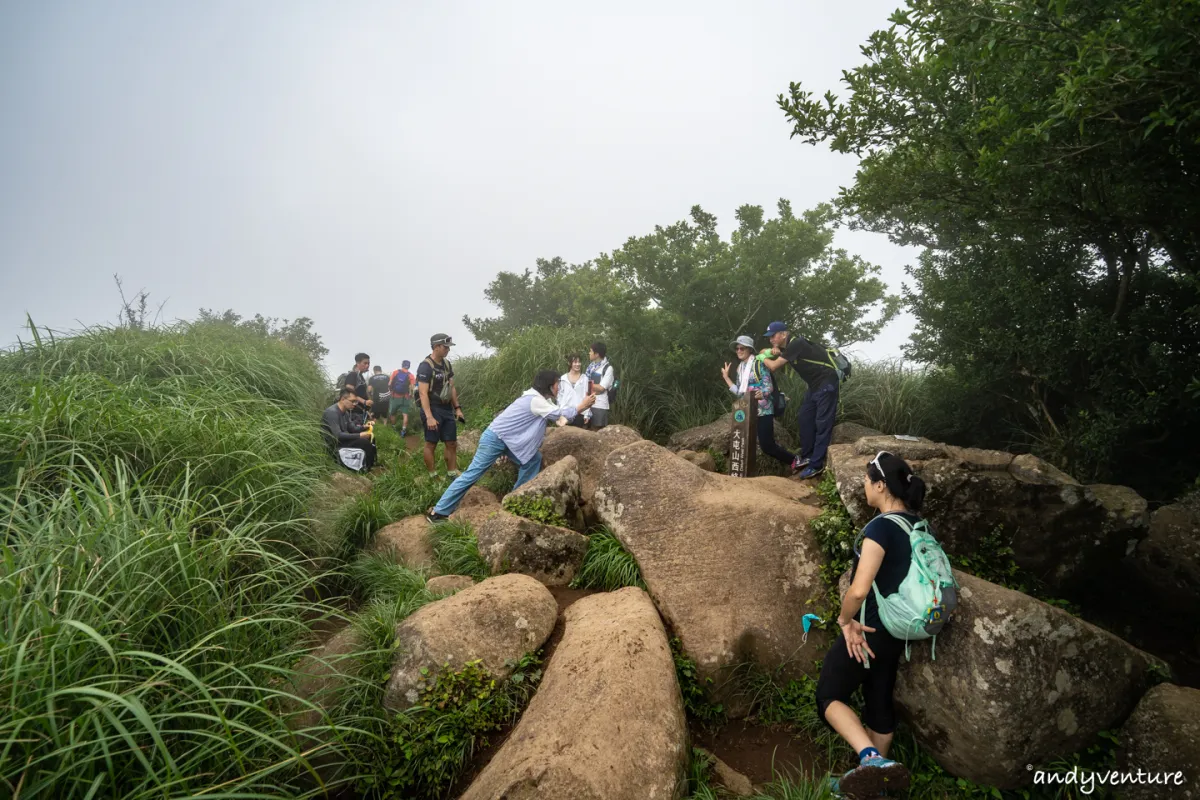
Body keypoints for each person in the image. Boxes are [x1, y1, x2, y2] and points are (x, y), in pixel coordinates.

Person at [815, 451, 925, 799]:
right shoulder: (918, 525)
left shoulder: (880, 528)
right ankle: (877, 786)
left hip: (868, 630)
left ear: (880, 485)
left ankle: (871, 760)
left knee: (829, 695)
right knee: (878, 701)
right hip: (900, 632)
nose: (864, 485)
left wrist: (845, 621)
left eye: (867, 480)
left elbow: (859, 589)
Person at [427, 370, 596, 522]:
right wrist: (581, 406)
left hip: (508, 441)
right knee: (472, 474)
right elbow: (559, 414)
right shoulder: (535, 400)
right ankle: (439, 512)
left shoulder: (539, 400)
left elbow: (559, 418)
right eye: (557, 384)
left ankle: (513, 502)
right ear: (550, 386)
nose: (559, 387)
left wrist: (574, 412)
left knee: (532, 460)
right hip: (495, 439)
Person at [761, 321, 839, 478]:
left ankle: (816, 465)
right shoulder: (788, 347)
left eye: (773, 336)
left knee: (822, 423)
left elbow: (774, 366)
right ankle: (808, 456)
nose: (771, 340)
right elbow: (768, 351)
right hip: (814, 386)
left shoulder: (797, 343)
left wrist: (762, 356)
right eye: (769, 338)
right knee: (804, 417)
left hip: (827, 383)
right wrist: (772, 350)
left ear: (784, 334)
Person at [722, 335, 796, 470]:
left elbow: (769, 386)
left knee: (767, 446)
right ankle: (746, 473)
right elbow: (740, 392)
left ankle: (794, 460)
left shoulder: (758, 363)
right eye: (737, 348)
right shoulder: (740, 368)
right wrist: (726, 378)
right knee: (746, 442)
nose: (738, 351)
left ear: (749, 349)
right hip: (747, 410)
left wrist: (762, 393)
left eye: (741, 348)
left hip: (763, 409)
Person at [417, 333, 466, 480]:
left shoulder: (446, 364)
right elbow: (422, 393)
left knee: (451, 442)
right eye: (445, 347)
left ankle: (452, 472)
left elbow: (451, 387)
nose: (447, 350)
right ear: (436, 347)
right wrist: (429, 416)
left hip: (446, 408)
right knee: (431, 443)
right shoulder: (425, 366)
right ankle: (433, 475)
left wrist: (457, 408)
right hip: (432, 407)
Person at [321, 388, 377, 471]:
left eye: (356, 401)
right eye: (353, 401)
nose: (355, 404)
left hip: (343, 440)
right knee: (364, 442)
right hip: (334, 445)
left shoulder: (346, 412)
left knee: (370, 437)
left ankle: (371, 463)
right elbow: (338, 435)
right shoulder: (331, 413)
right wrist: (359, 435)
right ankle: (366, 469)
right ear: (343, 399)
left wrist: (365, 427)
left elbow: (353, 428)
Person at [584, 341, 615, 429]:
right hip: (586, 404)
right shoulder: (590, 367)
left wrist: (584, 382)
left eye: (590, 351)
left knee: (597, 432)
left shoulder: (608, 368)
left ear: (596, 354)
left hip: (600, 405)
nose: (589, 353)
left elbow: (601, 388)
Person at [338, 353, 372, 426]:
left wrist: (366, 410)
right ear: (358, 363)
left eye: (368, 363)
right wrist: (364, 401)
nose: (367, 365)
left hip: (360, 411)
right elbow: (349, 389)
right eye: (365, 363)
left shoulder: (360, 376)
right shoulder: (353, 374)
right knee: (356, 433)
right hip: (354, 412)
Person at [557, 354, 591, 428]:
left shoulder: (584, 378)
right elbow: (559, 396)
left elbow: (587, 396)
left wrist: (587, 414)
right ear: (570, 363)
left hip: (580, 412)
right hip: (565, 412)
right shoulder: (563, 378)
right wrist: (559, 411)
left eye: (579, 362)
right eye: (575, 362)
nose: (578, 364)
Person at [388, 359, 418, 437]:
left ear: (402, 365)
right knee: (405, 415)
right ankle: (403, 431)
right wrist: (411, 395)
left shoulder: (395, 372)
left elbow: (389, 384)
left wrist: (391, 391)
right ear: (409, 366)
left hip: (395, 396)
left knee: (393, 414)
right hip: (405, 397)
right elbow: (412, 387)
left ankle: (393, 428)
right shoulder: (410, 375)